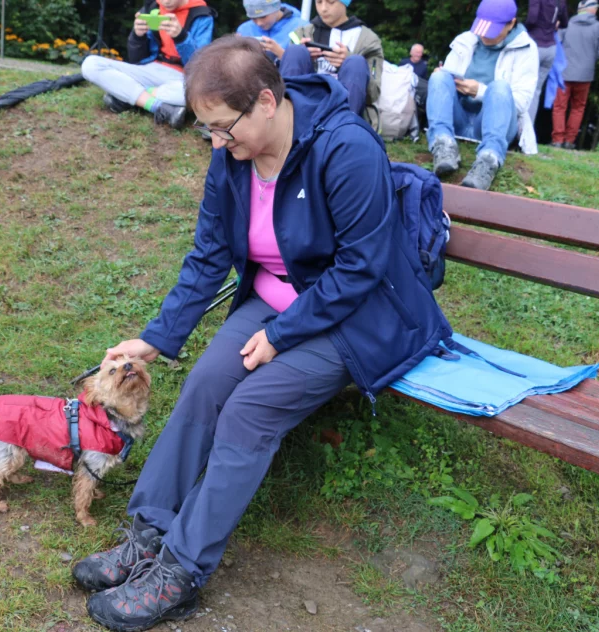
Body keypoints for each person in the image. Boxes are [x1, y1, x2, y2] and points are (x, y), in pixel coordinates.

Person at [71, 35, 451, 632]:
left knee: (249, 412)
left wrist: (282, 334)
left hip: (359, 319)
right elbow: (208, 255)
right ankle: (148, 535)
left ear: (268, 103)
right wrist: (157, 336)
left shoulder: (346, 150)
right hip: (277, 303)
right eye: (209, 131)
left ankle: (181, 570)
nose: (218, 144)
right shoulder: (232, 159)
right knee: (202, 386)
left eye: (225, 128)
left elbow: (362, 268)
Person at [427, 0, 538, 191]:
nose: (485, 35)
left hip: (494, 124)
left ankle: (489, 159)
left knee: (501, 88)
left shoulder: (527, 49)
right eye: (482, 28)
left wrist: (479, 91)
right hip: (459, 118)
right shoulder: (465, 40)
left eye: (492, 30)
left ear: (511, 24)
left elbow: (520, 104)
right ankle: (443, 144)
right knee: (439, 77)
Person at [80, 0, 216, 130]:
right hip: (151, 69)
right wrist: (138, 36)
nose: (165, 2)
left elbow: (199, 65)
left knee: (199, 95)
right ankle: (158, 106)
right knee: (90, 64)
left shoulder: (202, 15)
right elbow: (137, 60)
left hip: (182, 78)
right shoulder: (152, 9)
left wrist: (181, 37)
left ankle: (127, 96)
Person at [279, 0, 384, 119]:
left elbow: (374, 93)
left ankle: (345, 128)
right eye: (319, 2)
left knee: (356, 62)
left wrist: (348, 62)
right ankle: (287, 121)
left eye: (330, 2)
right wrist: (303, 57)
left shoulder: (368, 40)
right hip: (305, 106)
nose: (323, 8)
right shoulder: (301, 33)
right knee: (296, 52)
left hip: (346, 109)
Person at [551, 0, 599, 148]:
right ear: (590, 9)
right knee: (578, 107)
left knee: (559, 106)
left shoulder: (566, 25)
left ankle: (557, 140)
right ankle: (569, 141)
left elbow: (557, 45)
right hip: (585, 74)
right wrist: (588, 60)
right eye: (595, 7)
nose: (597, 10)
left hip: (564, 72)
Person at [526, 0, 569, 122]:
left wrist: (524, 28)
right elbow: (565, 23)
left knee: (522, 86)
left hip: (534, 45)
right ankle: (526, 132)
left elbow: (532, 19)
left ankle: (513, 130)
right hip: (551, 48)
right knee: (536, 91)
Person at [235, 0, 306, 61]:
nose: (259, 23)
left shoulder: (301, 27)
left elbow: (306, 65)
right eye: (253, 18)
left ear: (276, 8)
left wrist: (281, 54)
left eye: (263, 16)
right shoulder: (243, 29)